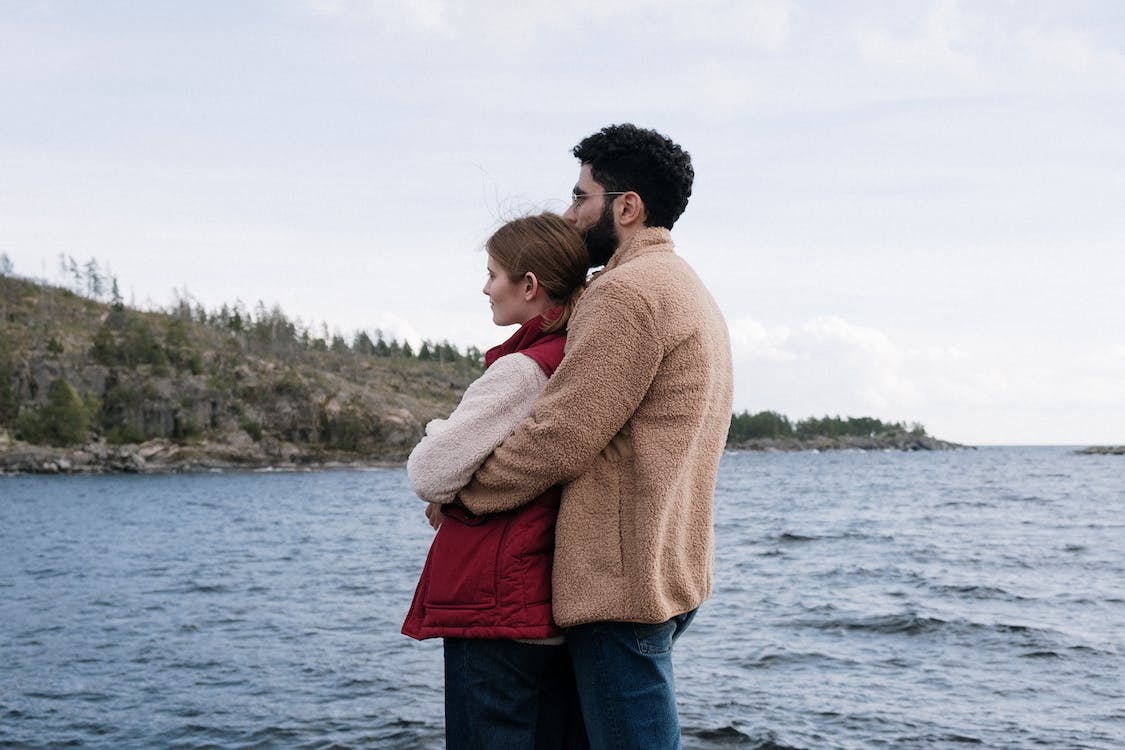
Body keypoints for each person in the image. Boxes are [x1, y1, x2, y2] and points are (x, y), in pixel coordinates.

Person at [455, 124, 734, 749]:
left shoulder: (625, 294)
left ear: (626, 207)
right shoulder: (684, 285)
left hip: (618, 582)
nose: (569, 213)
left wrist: (464, 495)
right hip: (666, 568)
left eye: (581, 197)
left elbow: (560, 435)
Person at [401, 212, 590, 750]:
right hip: (542, 598)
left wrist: (441, 432)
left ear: (529, 285)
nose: (485, 288)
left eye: (492, 274)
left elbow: (430, 471)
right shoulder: (576, 356)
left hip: (495, 602)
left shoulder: (522, 370)